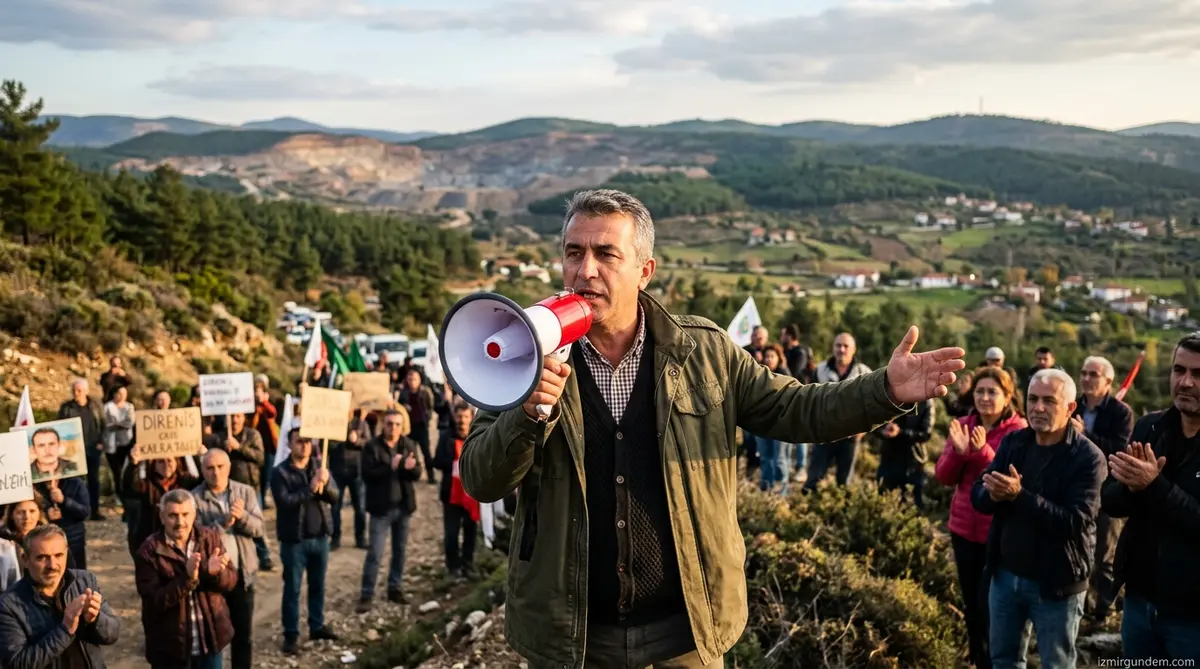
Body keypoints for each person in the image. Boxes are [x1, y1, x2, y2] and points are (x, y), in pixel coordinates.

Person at [459, 189, 965, 668]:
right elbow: (482, 478)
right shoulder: (526, 354)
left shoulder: (704, 353)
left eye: (606, 254)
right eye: (573, 252)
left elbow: (799, 410)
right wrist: (525, 415)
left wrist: (886, 391)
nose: (585, 270)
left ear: (645, 271)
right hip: (573, 639)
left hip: (684, 636)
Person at [971, 369, 1105, 669]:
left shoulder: (1088, 458)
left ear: (1071, 408)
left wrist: (1020, 496)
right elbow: (979, 496)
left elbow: (1074, 521)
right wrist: (994, 494)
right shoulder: (1014, 443)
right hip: (1005, 577)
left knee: (1056, 663)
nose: (1038, 408)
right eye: (1032, 399)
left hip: (1057, 584)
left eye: (1049, 401)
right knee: (1003, 660)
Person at [1101, 331, 1200, 661]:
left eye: (1198, 374)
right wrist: (1131, 486)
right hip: (1139, 604)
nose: (1185, 382)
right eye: (1178, 370)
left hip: (1191, 618)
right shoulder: (1150, 428)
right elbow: (1110, 500)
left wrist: (1154, 486)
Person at [934, 366, 1027, 669]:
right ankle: (977, 657)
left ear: (1007, 396)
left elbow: (1006, 477)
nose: (985, 398)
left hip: (997, 534)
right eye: (980, 392)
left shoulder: (1018, 431)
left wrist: (982, 451)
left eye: (992, 392)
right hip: (963, 529)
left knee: (992, 607)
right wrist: (960, 453)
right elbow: (944, 476)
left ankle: (994, 660)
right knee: (971, 605)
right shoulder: (963, 424)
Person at [134, 488, 237, 669]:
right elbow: (154, 600)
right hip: (171, 650)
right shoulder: (149, 551)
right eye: (173, 515)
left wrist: (214, 574)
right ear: (162, 516)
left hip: (209, 642)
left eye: (185, 514)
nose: (180, 522)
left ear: (194, 514)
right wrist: (187, 578)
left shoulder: (209, 538)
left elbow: (231, 580)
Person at [1069, 356, 1134, 626]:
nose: (1086, 378)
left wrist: (1085, 435)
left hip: (1108, 494)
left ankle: (1103, 612)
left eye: (1093, 374)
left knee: (1106, 555)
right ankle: (1080, 606)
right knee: (1076, 550)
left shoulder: (1121, 413)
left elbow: (1119, 450)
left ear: (1108, 381)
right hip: (1075, 491)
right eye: (1084, 373)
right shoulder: (1073, 407)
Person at [0, 525, 120, 668]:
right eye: (42, 558)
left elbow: (112, 634)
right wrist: (65, 629)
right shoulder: (9, 604)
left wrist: (95, 619)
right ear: (25, 559)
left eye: (58, 555)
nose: (52, 565)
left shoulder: (84, 581)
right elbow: (17, 664)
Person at [270, 429, 340, 654]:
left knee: (318, 586)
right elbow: (285, 501)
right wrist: (309, 488)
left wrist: (326, 484)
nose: (304, 446)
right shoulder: (280, 472)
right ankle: (291, 635)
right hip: (294, 541)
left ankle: (316, 625)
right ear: (290, 445)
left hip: (319, 537)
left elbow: (335, 497)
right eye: (299, 442)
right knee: (293, 589)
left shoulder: (319, 468)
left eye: (308, 441)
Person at [193, 449, 264, 669]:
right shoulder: (194, 498)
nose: (216, 473)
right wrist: (221, 524)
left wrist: (241, 516)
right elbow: (196, 540)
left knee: (243, 636)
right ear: (202, 470)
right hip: (213, 579)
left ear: (229, 467)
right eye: (210, 468)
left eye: (220, 467)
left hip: (243, 575)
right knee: (215, 637)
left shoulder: (246, 492)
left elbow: (259, 529)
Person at [357, 408, 422, 611]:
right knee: (375, 552)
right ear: (383, 424)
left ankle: (395, 588)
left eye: (396, 424)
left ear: (402, 427)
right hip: (381, 508)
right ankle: (367, 594)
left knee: (400, 551)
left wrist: (410, 468)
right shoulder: (372, 447)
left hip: (403, 506)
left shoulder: (408, 444)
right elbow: (367, 475)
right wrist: (390, 468)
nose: (392, 428)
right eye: (389, 423)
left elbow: (418, 473)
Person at [804, 332, 873, 490]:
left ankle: (841, 512)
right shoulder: (820, 370)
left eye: (845, 346)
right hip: (824, 435)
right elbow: (810, 401)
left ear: (853, 350)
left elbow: (872, 405)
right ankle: (808, 511)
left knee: (844, 483)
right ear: (833, 348)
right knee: (813, 479)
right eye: (838, 345)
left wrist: (863, 430)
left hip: (850, 437)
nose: (841, 349)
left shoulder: (864, 372)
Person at [434, 402, 479, 579]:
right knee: (451, 533)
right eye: (459, 417)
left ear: (471, 418)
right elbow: (436, 461)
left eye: (465, 417)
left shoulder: (476, 436)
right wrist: (454, 464)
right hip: (451, 494)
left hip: (472, 493)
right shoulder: (446, 437)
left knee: (470, 531)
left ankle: (468, 565)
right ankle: (452, 567)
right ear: (454, 417)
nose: (462, 421)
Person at [125, 456, 200, 556]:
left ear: (176, 462)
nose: (166, 465)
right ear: (154, 465)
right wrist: (133, 464)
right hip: (151, 542)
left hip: (181, 541)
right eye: (160, 462)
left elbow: (204, 482)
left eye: (169, 460)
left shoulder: (186, 482)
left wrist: (199, 457)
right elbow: (129, 487)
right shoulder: (146, 485)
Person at [57, 379, 104, 520]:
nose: (77, 393)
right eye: (74, 390)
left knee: (93, 480)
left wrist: (101, 442)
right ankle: (77, 511)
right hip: (73, 452)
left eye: (79, 390)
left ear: (86, 391)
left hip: (93, 448)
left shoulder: (96, 406)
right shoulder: (66, 408)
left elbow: (103, 424)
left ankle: (95, 511)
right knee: (75, 482)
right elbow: (60, 426)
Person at [875, 397, 934, 509]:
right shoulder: (890, 394)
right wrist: (884, 430)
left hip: (912, 461)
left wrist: (901, 433)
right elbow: (875, 424)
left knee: (910, 504)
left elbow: (926, 434)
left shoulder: (925, 402)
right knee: (882, 500)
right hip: (889, 458)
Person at [397, 369, 438, 484]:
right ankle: (412, 474)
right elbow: (399, 408)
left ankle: (431, 476)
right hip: (409, 427)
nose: (412, 382)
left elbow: (430, 406)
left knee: (426, 452)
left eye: (414, 379)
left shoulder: (425, 392)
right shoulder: (403, 393)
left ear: (419, 380)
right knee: (410, 452)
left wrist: (427, 418)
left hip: (422, 426)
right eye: (410, 379)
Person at [102, 385, 136, 505]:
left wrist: (115, 424)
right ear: (114, 394)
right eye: (120, 393)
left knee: (127, 469)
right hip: (111, 444)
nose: (122, 396)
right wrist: (120, 424)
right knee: (116, 471)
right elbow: (106, 423)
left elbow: (130, 422)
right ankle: (118, 495)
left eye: (124, 393)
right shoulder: (107, 407)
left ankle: (127, 493)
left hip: (126, 442)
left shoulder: (129, 406)